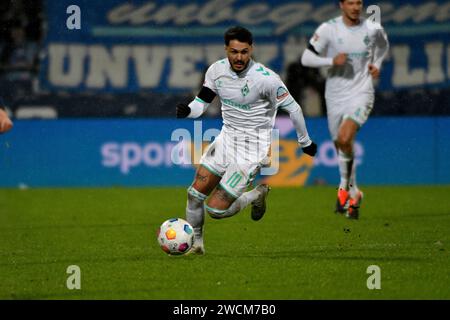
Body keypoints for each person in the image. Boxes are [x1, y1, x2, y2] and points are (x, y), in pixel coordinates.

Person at [176, 26, 317, 254]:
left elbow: (294, 109)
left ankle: (256, 194)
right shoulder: (216, 71)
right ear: (226, 50)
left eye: (243, 51)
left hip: (251, 151)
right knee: (194, 194)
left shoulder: (267, 79)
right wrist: (188, 111)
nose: (239, 57)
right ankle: (197, 244)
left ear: (251, 49)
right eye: (234, 51)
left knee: (216, 211)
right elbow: (201, 102)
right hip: (225, 141)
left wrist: (305, 142)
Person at [301, 0, 389, 219]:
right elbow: (306, 58)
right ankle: (354, 192)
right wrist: (331, 60)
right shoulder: (328, 29)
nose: (356, 7)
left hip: (361, 93)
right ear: (341, 5)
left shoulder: (372, 28)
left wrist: (377, 63)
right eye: (351, 2)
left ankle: (343, 187)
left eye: (359, 2)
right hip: (335, 96)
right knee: (342, 144)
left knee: (344, 136)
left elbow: (383, 46)